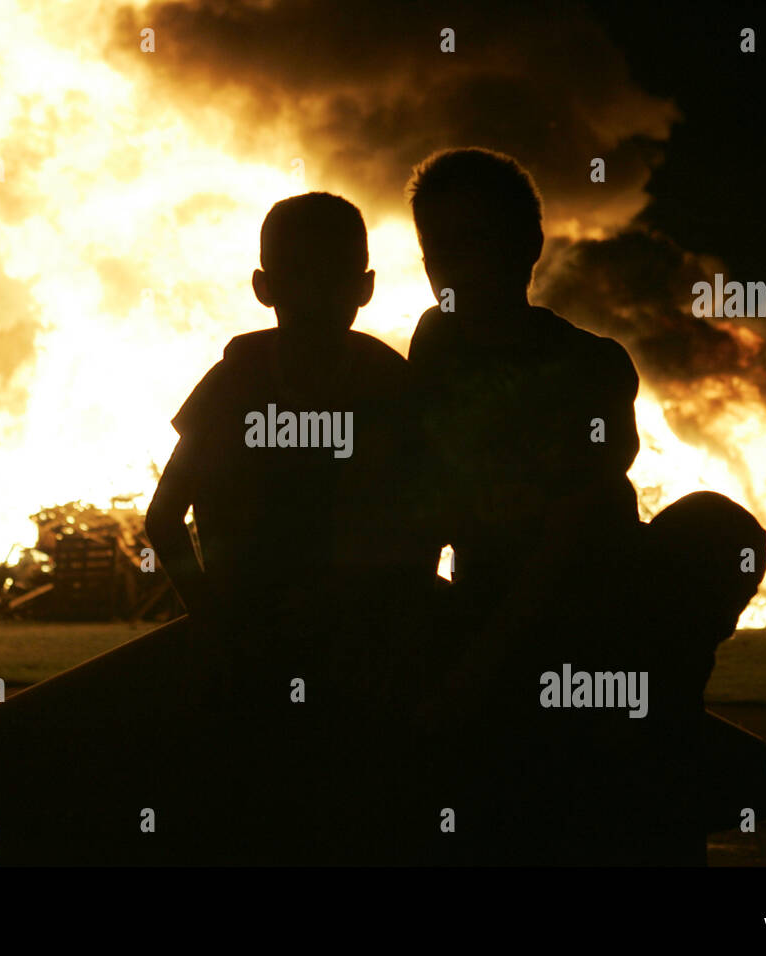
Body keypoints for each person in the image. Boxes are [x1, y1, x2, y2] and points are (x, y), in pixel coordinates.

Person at [404, 147, 766, 864]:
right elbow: (426, 487)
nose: (449, 263)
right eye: (434, 244)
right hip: (491, 594)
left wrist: (479, 664)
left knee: (713, 529)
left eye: (472, 238)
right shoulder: (437, 340)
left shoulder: (588, 366)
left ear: (527, 247)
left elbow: (567, 538)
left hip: (585, 602)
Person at [146, 191, 441, 861]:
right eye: (298, 278)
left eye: (331, 278)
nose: (314, 297)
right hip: (253, 654)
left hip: (349, 659)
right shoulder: (238, 384)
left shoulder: (385, 388)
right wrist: (213, 618)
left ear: (363, 287)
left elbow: (426, 526)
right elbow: (163, 518)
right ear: (264, 287)